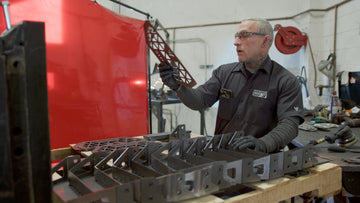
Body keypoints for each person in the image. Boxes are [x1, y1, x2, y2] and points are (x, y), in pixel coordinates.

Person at [159, 18, 304, 153]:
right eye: (236, 36)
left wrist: (263, 144)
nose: (236, 42)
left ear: (265, 41)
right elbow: (200, 100)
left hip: (258, 158)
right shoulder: (225, 72)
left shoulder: (285, 81)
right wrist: (178, 87)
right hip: (221, 155)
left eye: (244, 35)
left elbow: (290, 124)